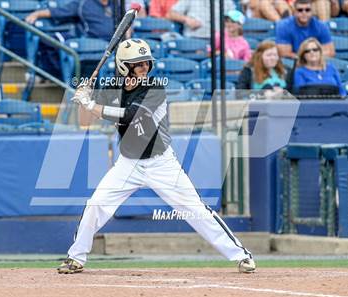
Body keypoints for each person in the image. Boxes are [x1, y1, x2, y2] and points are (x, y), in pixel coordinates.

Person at [57, 38, 256, 274]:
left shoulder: (155, 89)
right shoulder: (112, 89)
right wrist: (83, 99)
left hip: (161, 163)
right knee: (95, 205)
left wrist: (91, 104)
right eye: (137, 64)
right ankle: (76, 257)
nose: (144, 68)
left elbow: (130, 116)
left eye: (146, 63)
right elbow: (84, 122)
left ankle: (241, 255)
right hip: (128, 164)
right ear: (124, 67)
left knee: (195, 210)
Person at [167, 0, 236, 39]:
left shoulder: (227, 2)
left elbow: (235, 21)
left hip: (219, 41)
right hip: (194, 39)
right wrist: (186, 19)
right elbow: (170, 14)